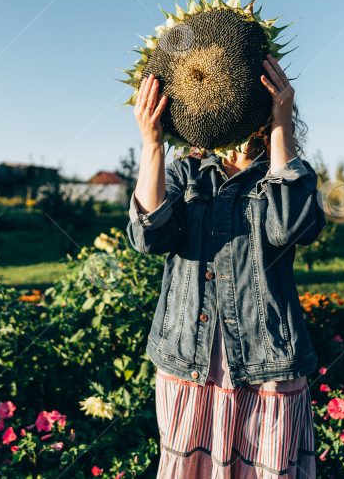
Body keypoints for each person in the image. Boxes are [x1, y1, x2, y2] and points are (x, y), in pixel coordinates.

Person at [126, 54, 326, 478]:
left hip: (266, 361)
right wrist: (151, 145)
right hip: (189, 360)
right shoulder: (186, 175)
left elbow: (287, 227)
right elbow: (148, 237)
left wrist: (280, 125)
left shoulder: (290, 174)